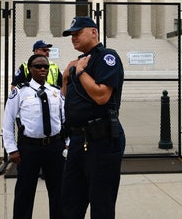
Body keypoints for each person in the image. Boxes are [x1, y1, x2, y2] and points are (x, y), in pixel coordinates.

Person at [61, 16, 125, 219]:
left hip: (102, 140)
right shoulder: (78, 62)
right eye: (71, 34)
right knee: (70, 202)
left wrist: (79, 73)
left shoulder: (107, 57)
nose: (73, 37)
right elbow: (66, 97)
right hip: (78, 140)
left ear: (94, 32)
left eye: (78, 33)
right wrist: (65, 77)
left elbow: (101, 96)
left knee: (101, 205)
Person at [2, 54, 66, 219]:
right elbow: (8, 120)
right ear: (30, 69)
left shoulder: (55, 92)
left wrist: (67, 142)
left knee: (59, 191)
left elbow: (65, 119)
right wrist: (12, 149)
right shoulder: (20, 92)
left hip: (55, 147)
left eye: (45, 66)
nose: (43, 69)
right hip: (29, 148)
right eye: (38, 66)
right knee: (25, 191)